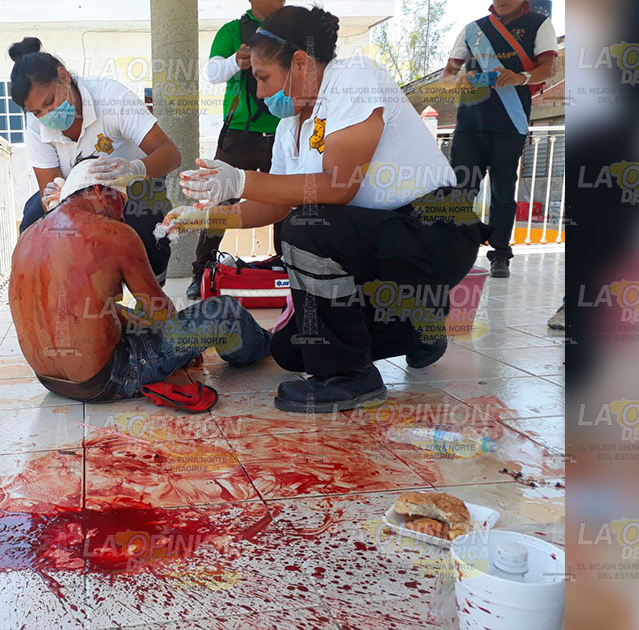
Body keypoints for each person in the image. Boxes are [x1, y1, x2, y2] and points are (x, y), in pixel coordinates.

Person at [164, 6, 486, 413]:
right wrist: (208, 217)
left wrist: (241, 178)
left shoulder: (353, 80)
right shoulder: (289, 128)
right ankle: (416, 328)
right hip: (381, 242)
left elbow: (338, 187)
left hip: (433, 231)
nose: (260, 93)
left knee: (308, 225)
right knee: (292, 351)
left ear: (300, 61)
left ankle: (350, 377)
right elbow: (272, 205)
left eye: (263, 77)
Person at [9, 160, 271, 403]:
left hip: (49, 381)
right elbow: (161, 314)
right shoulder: (114, 233)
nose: (123, 215)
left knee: (114, 310)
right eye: (120, 203)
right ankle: (264, 346)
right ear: (100, 191)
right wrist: (187, 343)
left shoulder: (29, 234)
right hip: (106, 379)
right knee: (224, 311)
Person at [8, 37, 181, 285]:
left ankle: (153, 283)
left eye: (49, 102)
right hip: (75, 194)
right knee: (32, 223)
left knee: (146, 220)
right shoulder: (36, 125)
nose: (47, 115)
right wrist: (54, 200)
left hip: (132, 187)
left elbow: (171, 154)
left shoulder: (111, 97)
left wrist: (135, 169)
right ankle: (59, 294)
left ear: (64, 76)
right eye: (37, 112)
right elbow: (48, 188)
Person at [443, 0, 558, 278]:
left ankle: (500, 254)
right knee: (461, 189)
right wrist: (460, 79)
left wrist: (521, 77)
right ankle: (455, 249)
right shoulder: (473, 29)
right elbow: (447, 74)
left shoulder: (539, 24)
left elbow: (549, 68)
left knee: (503, 193)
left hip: (510, 122)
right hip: (470, 123)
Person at [187, 0, 286, 300]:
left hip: (284, 130)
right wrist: (236, 61)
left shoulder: (292, 27)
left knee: (287, 201)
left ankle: (287, 268)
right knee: (220, 202)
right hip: (238, 131)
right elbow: (213, 72)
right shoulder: (233, 30)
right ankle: (201, 271)